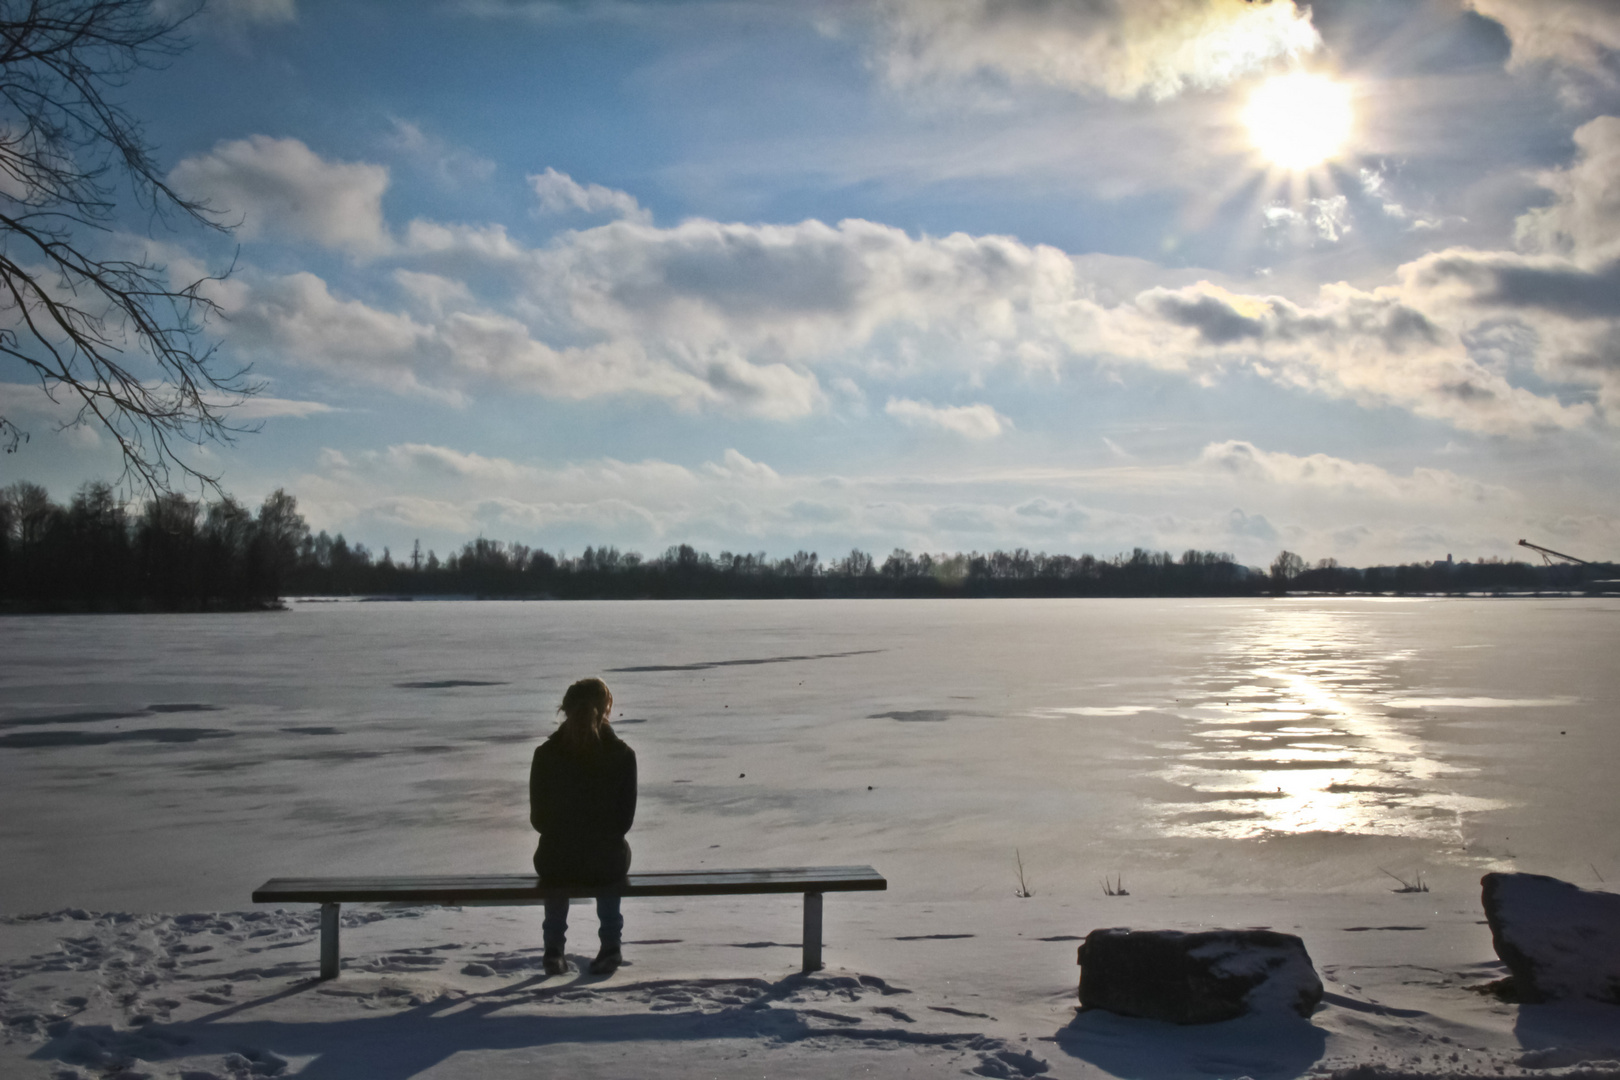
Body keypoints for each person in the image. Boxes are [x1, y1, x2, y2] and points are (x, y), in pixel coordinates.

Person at [530, 677, 638, 975]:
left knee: (557, 860)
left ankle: (553, 950)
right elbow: (623, 822)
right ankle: (611, 947)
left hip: (556, 861)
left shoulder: (545, 754)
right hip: (604, 861)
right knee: (611, 857)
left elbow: (539, 820)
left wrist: (566, 833)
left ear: (565, 709)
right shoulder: (622, 755)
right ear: (606, 709)